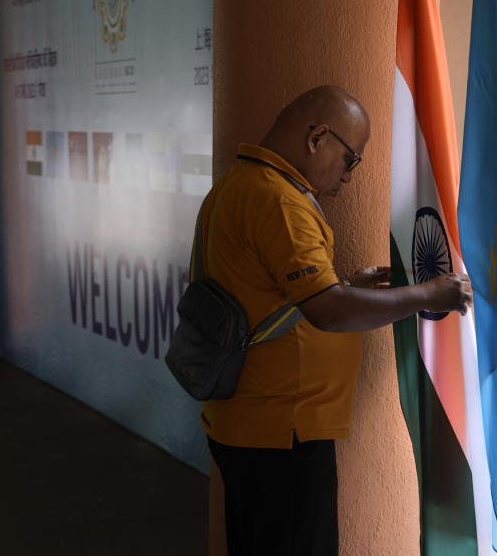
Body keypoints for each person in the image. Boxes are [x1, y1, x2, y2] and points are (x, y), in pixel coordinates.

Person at [197, 85, 472, 555]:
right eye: (351, 161)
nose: (349, 179)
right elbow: (326, 311)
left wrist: (349, 286)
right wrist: (430, 292)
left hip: (251, 420)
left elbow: (279, 297)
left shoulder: (239, 182)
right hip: (282, 430)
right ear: (318, 137)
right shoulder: (279, 201)